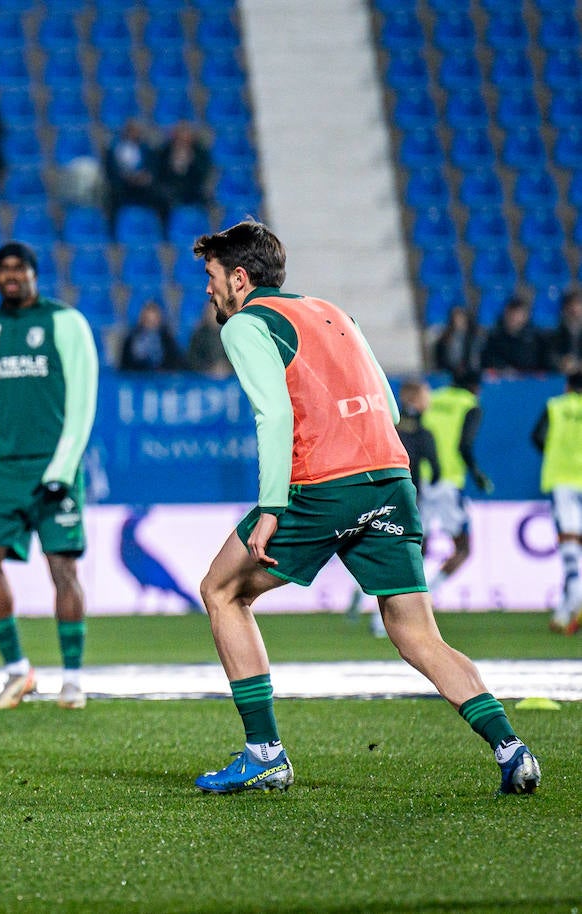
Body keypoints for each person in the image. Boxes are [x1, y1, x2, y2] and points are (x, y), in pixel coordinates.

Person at [189, 219, 538, 796]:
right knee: (415, 633)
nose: (208, 290)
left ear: (240, 278)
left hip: (322, 486)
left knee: (222, 590)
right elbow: (391, 409)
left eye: (212, 276)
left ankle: (265, 753)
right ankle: (511, 749)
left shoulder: (248, 323)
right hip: (390, 479)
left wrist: (273, 504)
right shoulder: (333, 312)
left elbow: (272, 416)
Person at [0, 241, 99, 710]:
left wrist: (63, 468)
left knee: (62, 569)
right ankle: (17, 671)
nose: (11, 277)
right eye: (3, 270)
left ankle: (72, 679)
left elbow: (82, 401)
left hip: (54, 465)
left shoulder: (65, 323)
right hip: (5, 470)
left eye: (19, 269)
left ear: (34, 274)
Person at [346, 378, 439, 635]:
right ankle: (381, 621)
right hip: (408, 501)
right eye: (425, 396)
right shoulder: (422, 433)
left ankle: (360, 588)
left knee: (379, 550)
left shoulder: (387, 425)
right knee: (406, 559)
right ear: (415, 399)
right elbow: (436, 467)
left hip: (378, 497)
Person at [420, 369, 492, 596]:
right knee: (463, 548)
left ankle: (380, 610)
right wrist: (477, 473)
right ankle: (429, 593)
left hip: (420, 479)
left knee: (415, 547)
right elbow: (464, 445)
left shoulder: (433, 398)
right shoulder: (470, 404)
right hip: (448, 482)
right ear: (475, 387)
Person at [531, 371, 582, 634]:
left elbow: (538, 437)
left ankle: (576, 597)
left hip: (564, 480)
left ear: (568, 386)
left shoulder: (557, 406)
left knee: (569, 542)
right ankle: (565, 611)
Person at [151, 122, 213, 227]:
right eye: (179, 137)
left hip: (192, 189)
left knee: (204, 201)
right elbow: (159, 173)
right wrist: (173, 164)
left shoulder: (199, 152)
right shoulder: (164, 151)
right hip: (170, 189)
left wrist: (192, 161)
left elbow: (203, 173)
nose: (182, 140)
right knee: (160, 200)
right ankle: (167, 232)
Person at [101, 119, 158, 230]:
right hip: (121, 185)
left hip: (142, 186)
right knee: (114, 195)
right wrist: (126, 177)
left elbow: (151, 168)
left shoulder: (145, 148)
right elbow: (110, 170)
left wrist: (145, 177)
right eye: (131, 130)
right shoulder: (114, 149)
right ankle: (114, 231)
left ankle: (152, 229)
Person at [481, 295, 545, 374]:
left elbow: (543, 362)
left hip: (530, 381)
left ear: (526, 316)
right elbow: (488, 359)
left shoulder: (535, 338)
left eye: (518, 315)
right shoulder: (494, 337)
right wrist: (504, 369)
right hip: (503, 380)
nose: (515, 318)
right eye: (512, 314)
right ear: (506, 314)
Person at [116, 300, 186, 371]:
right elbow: (124, 364)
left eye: (154, 321)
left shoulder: (167, 338)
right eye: (148, 321)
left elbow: (175, 362)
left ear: (159, 320)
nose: (151, 326)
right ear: (142, 320)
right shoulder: (131, 338)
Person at [430, 305, 483, 376]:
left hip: (471, 374)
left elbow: (476, 359)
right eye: (456, 318)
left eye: (461, 318)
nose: (459, 321)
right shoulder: (444, 339)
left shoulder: (474, 337)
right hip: (450, 372)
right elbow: (441, 359)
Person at [545, 289, 582, 375]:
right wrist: (561, 362)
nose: (575, 310)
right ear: (564, 309)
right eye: (571, 305)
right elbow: (548, 357)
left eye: (578, 305)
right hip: (561, 378)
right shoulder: (554, 333)